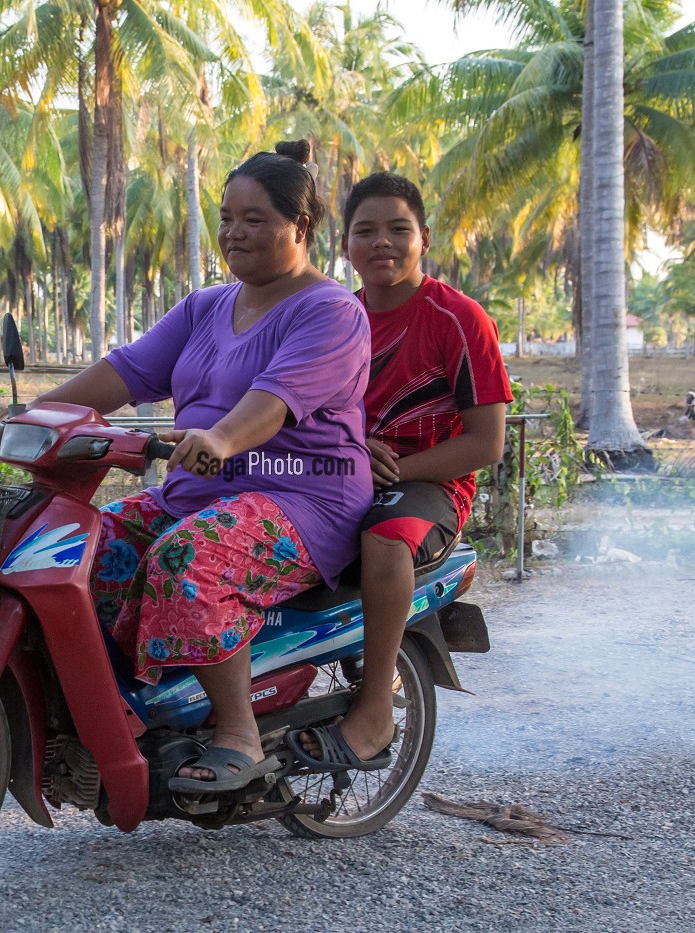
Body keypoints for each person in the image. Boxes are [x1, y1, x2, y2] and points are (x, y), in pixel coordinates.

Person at [32, 141, 373, 793]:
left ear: (298, 228)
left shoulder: (330, 312)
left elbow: (273, 402)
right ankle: (131, 711)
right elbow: (124, 373)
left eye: (253, 219)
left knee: (189, 558)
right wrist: (29, 415)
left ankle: (237, 731)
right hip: (197, 491)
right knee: (81, 548)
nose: (233, 233)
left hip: (301, 499)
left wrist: (220, 437)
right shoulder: (205, 307)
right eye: (225, 217)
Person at [290, 172, 512, 771]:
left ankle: (373, 712)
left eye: (398, 229)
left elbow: (486, 442)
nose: (381, 242)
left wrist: (396, 467)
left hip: (430, 481)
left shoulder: (459, 319)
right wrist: (356, 445)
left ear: (425, 239)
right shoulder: (333, 318)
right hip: (337, 473)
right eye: (365, 230)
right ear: (344, 246)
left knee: (385, 541)